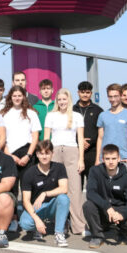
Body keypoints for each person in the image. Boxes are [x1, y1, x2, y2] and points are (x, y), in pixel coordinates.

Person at [43, 88, 87, 234]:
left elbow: (80, 139)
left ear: (69, 100)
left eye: (64, 99)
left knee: (75, 189)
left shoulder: (77, 116)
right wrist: (45, 156)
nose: (62, 102)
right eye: (59, 99)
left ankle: (79, 226)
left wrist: (81, 159)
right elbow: (46, 138)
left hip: (72, 152)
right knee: (55, 188)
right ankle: (61, 224)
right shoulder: (51, 115)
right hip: (54, 152)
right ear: (57, 101)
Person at [83, 144, 127, 248]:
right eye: (107, 159)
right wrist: (107, 207)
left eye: (114, 158)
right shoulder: (95, 171)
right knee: (88, 205)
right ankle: (97, 236)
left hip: (120, 209)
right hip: (104, 209)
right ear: (102, 159)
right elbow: (90, 193)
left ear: (119, 158)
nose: (111, 162)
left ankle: (122, 232)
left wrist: (122, 214)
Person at [19, 140, 70, 247]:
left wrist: (44, 194)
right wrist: (37, 220)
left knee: (63, 198)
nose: (44, 156)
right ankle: (37, 228)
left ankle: (59, 233)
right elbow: (26, 201)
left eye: (47, 153)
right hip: (37, 208)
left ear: (52, 153)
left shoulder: (59, 167)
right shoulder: (29, 173)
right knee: (25, 223)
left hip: (53, 205)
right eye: (41, 153)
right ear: (37, 154)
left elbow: (64, 188)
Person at [1, 86, 41, 192]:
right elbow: (2, 138)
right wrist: (9, 156)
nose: (17, 98)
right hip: (9, 153)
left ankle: (27, 209)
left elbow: (35, 137)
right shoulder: (3, 114)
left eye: (19, 95)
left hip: (27, 152)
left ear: (24, 97)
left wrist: (28, 156)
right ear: (10, 97)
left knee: (27, 188)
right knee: (10, 189)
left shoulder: (31, 113)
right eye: (14, 96)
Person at [95, 84, 127, 169]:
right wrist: (97, 159)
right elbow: (100, 138)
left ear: (121, 96)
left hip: (123, 158)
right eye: (110, 97)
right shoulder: (102, 115)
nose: (113, 99)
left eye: (115, 96)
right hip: (105, 159)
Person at [74, 81, 103, 183]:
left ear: (91, 93)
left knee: (93, 183)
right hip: (76, 151)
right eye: (82, 92)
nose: (85, 95)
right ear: (78, 93)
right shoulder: (72, 109)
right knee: (76, 183)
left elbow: (100, 131)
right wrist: (80, 140)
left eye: (87, 92)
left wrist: (89, 142)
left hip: (92, 151)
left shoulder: (98, 110)